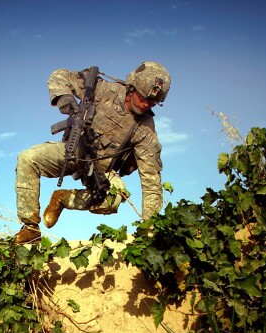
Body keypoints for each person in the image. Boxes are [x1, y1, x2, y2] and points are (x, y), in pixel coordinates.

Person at [13, 62, 171, 244]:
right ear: (131, 87)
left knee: (115, 198)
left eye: (152, 102)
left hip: (102, 171)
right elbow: (60, 75)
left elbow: (151, 183)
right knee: (28, 158)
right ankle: (30, 229)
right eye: (143, 97)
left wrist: (150, 232)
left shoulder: (146, 130)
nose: (146, 104)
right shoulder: (103, 90)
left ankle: (64, 199)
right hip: (73, 151)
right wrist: (63, 96)